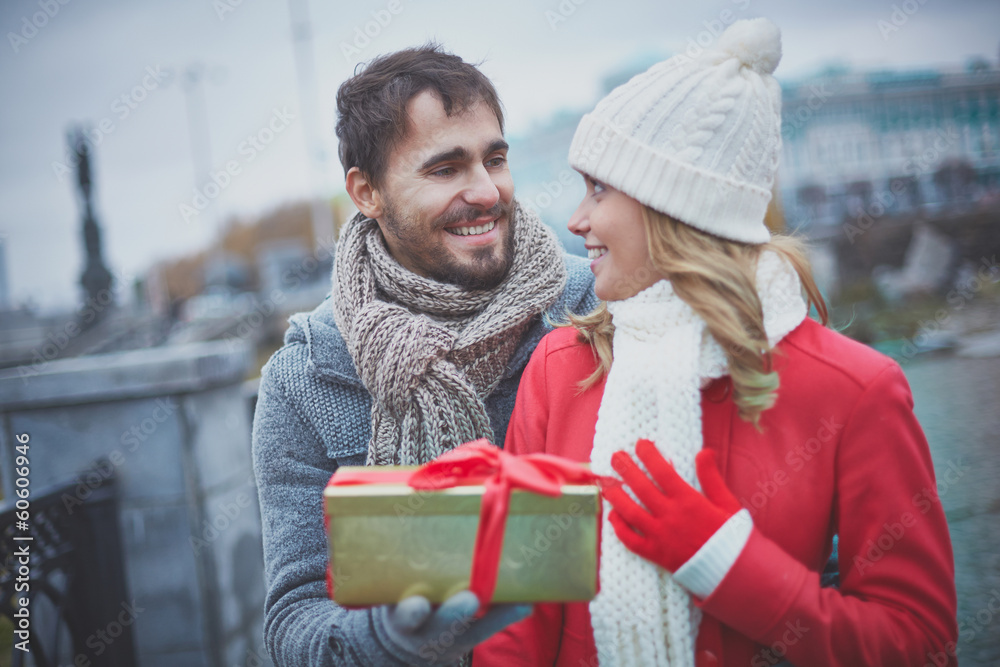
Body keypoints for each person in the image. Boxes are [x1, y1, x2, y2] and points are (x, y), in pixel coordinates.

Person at [474, 18, 958, 667]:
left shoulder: (855, 390)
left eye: (599, 188)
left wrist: (725, 562)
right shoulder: (560, 370)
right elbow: (518, 623)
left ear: (674, 206)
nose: (576, 219)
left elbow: (920, 645)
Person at [251, 45, 597, 666]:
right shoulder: (304, 376)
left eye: (496, 159)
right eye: (445, 169)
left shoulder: (592, 306)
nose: (487, 191)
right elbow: (294, 624)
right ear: (367, 192)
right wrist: (389, 638)